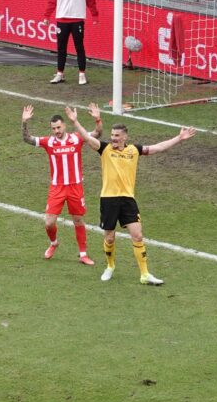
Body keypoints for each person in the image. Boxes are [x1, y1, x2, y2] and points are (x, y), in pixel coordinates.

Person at [65, 103, 195, 284]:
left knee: (138, 235)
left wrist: (179, 138)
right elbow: (87, 138)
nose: (113, 139)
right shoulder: (105, 149)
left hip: (127, 200)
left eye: (117, 136)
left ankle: (144, 274)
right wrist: (75, 121)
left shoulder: (134, 150)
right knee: (109, 237)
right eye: (112, 136)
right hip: (108, 199)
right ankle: (110, 266)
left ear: (125, 136)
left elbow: (158, 147)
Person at [20, 104, 96, 265]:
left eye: (58, 127)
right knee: (49, 222)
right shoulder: (48, 142)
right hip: (57, 188)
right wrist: (24, 122)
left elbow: (97, 134)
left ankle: (83, 254)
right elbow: (27, 138)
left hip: (75, 186)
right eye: (53, 128)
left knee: (78, 220)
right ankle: (54, 243)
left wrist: (97, 119)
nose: (56, 131)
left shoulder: (77, 138)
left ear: (64, 125)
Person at [46, 0, 97, 85]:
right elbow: (52, 0)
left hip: (77, 19)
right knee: (61, 48)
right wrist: (47, 16)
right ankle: (60, 74)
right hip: (62, 20)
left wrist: (95, 15)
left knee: (79, 47)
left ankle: (82, 74)